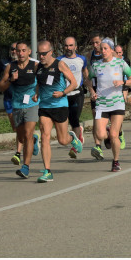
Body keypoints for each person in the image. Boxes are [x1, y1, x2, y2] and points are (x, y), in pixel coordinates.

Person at [85, 38, 131, 172]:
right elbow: (88, 80)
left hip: (117, 103)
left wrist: (122, 83)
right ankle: (107, 132)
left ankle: (115, 161)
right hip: (102, 103)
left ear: (111, 50)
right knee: (100, 135)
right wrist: (92, 91)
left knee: (114, 135)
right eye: (101, 49)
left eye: (105, 48)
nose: (103, 51)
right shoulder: (96, 65)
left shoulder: (120, 63)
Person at [35, 41, 83, 182]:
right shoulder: (38, 67)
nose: (42, 56)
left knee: (62, 140)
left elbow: (74, 83)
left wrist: (62, 93)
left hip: (60, 105)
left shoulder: (60, 64)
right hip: (44, 106)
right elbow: (39, 83)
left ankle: (72, 138)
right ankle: (47, 171)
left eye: (44, 54)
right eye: (39, 54)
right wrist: (36, 93)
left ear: (51, 52)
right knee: (45, 136)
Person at [0, 41, 40, 178]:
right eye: (17, 50)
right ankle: (33, 139)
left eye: (23, 50)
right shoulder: (10, 67)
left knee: (27, 133)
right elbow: (1, 87)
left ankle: (25, 167)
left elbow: (42, 82)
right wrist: (10, 79)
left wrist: (38, 93)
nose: (20, 53)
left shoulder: (36, 66)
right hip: (17, 105)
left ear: (29, 52)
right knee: (21, 137)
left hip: (32, 104)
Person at [57, 36, 87, 159]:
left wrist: (90, 88)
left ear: (75, 47)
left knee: (74, 119)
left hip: (77, 93)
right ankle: (78, 134)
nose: (68, 48)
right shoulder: (59, 60)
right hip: (64, 95)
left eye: (71, 45)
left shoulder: (82, 59)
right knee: (65, 120)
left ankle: (74, 147)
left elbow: (86, 75)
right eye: (66, 45)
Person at [0, 42, 24, 164]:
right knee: (15, 127)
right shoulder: (4, 63)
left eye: (16, 49)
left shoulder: (27, 63)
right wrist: (0, 85)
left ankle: (18, 153)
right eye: (12, 49)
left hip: (22, 100)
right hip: (8, 99)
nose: (14, 51)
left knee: (20, 126)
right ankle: (31, 139)